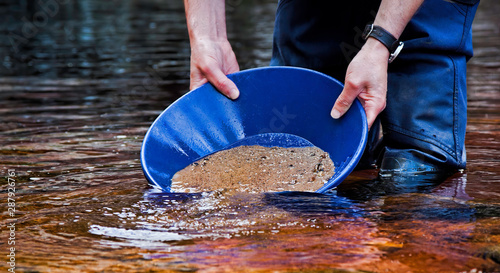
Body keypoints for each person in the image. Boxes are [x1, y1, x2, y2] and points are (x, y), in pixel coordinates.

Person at [183, 0, 480, 184]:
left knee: (416, 171)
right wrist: (209, 38)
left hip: (428, 9)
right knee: (301, 148)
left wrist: (381, 43)